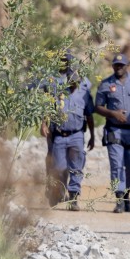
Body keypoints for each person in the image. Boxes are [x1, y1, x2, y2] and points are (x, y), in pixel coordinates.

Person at [95, 53, 130, 213]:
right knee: (116, 165)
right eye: (116, 65)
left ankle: (126, 195)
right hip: (114, 130)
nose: (119, 68)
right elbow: (97, 107)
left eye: (121, 65)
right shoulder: (105, 84)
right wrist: (113, 113)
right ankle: (118, 198)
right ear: (113, 66)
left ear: (127, 66)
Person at [42, 70, 95, 211]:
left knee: (76, 168)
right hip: (60, 136)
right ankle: (59, 192)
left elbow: (89, 116)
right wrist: (43, 124)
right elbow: (48, 110)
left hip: (77, 136)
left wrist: (93, 136)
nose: (73, 83)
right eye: (71, 81)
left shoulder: (84, 95)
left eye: (76, 81)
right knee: (58, 168)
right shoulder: (59, 93)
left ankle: (73, 198)